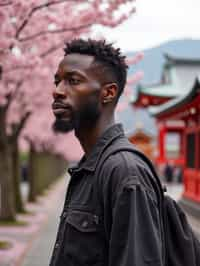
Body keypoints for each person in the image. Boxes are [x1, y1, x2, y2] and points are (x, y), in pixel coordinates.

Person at [50, 39, 164, 266]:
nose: (57, 92)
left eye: (73, 81)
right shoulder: (89, 167)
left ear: (108, 93)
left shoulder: (124, 171)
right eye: (57, 81)